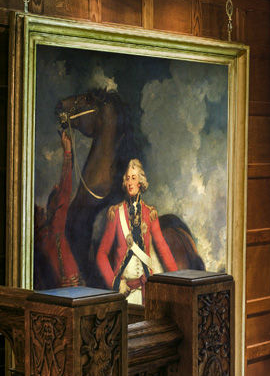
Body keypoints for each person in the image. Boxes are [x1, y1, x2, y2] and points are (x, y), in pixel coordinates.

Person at [95, 159, 178, 303]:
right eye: (127, 178)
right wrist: (115, 283)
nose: (130, 182)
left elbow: (163, 249)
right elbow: (101, 254)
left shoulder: (150, 213)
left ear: (140, 182)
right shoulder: (116, 213)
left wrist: (179, 280)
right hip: (123, 291)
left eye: (134, 178)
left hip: (146, 291)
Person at [33, 130, 82, 289]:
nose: (40, 210)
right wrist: (67, 152)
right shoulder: (53, 228)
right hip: (63, 284)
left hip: (67, 283)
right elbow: (65, 189)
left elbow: (64, 191)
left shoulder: (52, 227)